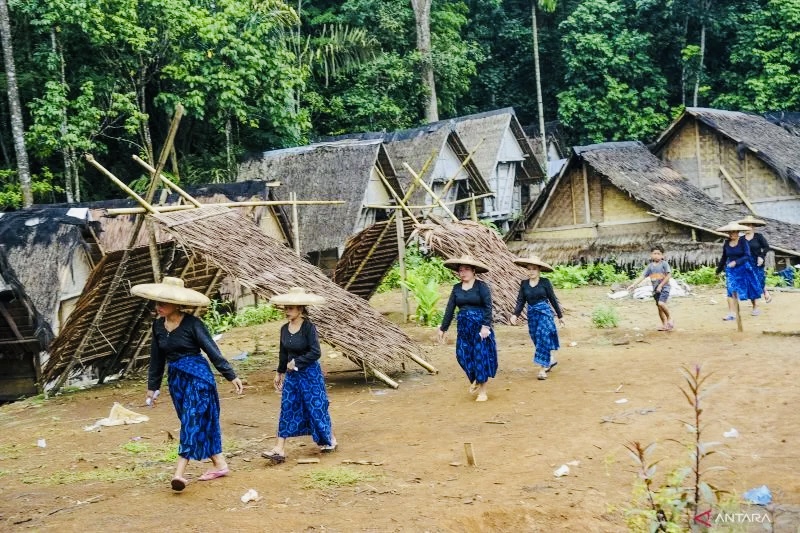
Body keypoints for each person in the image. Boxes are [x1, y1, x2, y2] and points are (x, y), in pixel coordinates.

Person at [131, 276, 244, 492]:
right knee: (195, 421)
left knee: (191, 421)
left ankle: (179, 474)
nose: (159, 306)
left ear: (177, 303)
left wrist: (231, 375)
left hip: (199, 378)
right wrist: (152, 387)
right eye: (158, 302)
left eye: (164, 302)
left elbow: (212, 351)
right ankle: (219, 464)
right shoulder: (158, 327)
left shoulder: (193, 324)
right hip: (177, 381)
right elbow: (156, 359)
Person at [262, 287, 336, 464]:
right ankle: (279, 448)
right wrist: (279, 372)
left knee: (316, 407)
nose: (288, 311)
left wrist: (297, 362)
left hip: (310, 374)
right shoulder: (284, 329)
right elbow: (283, 353)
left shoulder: (308, 328)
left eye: (291, 308)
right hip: (292, 377)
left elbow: (315, 352)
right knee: (287, 407)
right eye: (286, 308)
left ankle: (329, 438)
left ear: (300, 309)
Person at [437, 255, 497, 402]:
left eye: (466, 269)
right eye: (461, 270)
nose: (463, 272)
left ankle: (483, 391)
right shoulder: (456, 288)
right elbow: (450, 309)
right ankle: (475, 378)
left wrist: (485, 326)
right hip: (463, 328)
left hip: (480, 329)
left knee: (480, 356)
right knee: (462, 354)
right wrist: (443, 328)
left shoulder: (482, 287)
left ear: (474, 271)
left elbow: (488, 307)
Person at [509, 256, 565, 381]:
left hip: (545, 313)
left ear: (539, 269)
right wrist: (515, 315)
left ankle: (542, 369)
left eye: (534, 269)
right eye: (529, 269)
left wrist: (560, 316)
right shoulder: (524, 284)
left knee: (542, 336)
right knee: (536, 338)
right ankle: (549, 359)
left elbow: (553, 299)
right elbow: (521, 301)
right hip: (532, 314)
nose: (531, 271)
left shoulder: (545, 282)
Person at [715, 222, 763, 319]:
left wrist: (736, 262)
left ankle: (755, 307)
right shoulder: (726, 243)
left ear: (738, 232)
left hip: (744, 268)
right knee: (730, 289)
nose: (732, 234)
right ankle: (731, 313)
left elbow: (747, 256)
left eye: (734, 232)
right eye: (730, 232)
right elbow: (724, 257)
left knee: (750, 288)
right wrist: (718, 270)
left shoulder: (743, 242)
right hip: (732, 270)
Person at [627, 246, 674, 331]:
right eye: (654, 253)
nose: (656, 255)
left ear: (662, 256)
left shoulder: (664, 264)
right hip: (655, 290)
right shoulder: (650, 267)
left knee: (661, 303)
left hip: (664, 288)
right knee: (659, 308)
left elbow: (669, 275)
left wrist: (661, 285)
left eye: (658, 254)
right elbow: (643, 276)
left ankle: (670, 318)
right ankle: (664, 325)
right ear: (651, 255)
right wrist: (633, 285)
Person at [737, 215, 772, 304]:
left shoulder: (758, 237)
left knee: (759, 279)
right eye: (746, 225)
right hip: (747, 263)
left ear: (753, 226)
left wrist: (761, 256)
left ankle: (765, 292)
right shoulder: (741, 239)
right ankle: (755, 303)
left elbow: (766, 247)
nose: (748, 227)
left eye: (749, 225)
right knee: (751, 281)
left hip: (757, 262)